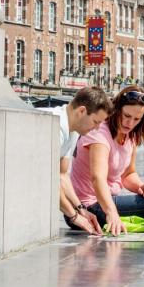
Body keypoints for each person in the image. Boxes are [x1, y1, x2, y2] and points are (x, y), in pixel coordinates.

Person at [69, 86, 144, 234]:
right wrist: (112, 213)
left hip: (106, 203)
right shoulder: (99, 131)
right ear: (117, 109)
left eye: (136, 119)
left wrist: (142, 186)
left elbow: (127, 174)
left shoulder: (130, 136)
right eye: (126, 116)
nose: (130, 123)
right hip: (89, 208)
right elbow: (97, 178)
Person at [53, 87, 113, 235]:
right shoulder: (56, 126)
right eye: (95, 121)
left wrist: (81, 210)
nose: (97, 128)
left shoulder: (73, 128)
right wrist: (73, 216)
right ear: (81, 111)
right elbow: (47, 180)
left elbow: (62, 175)